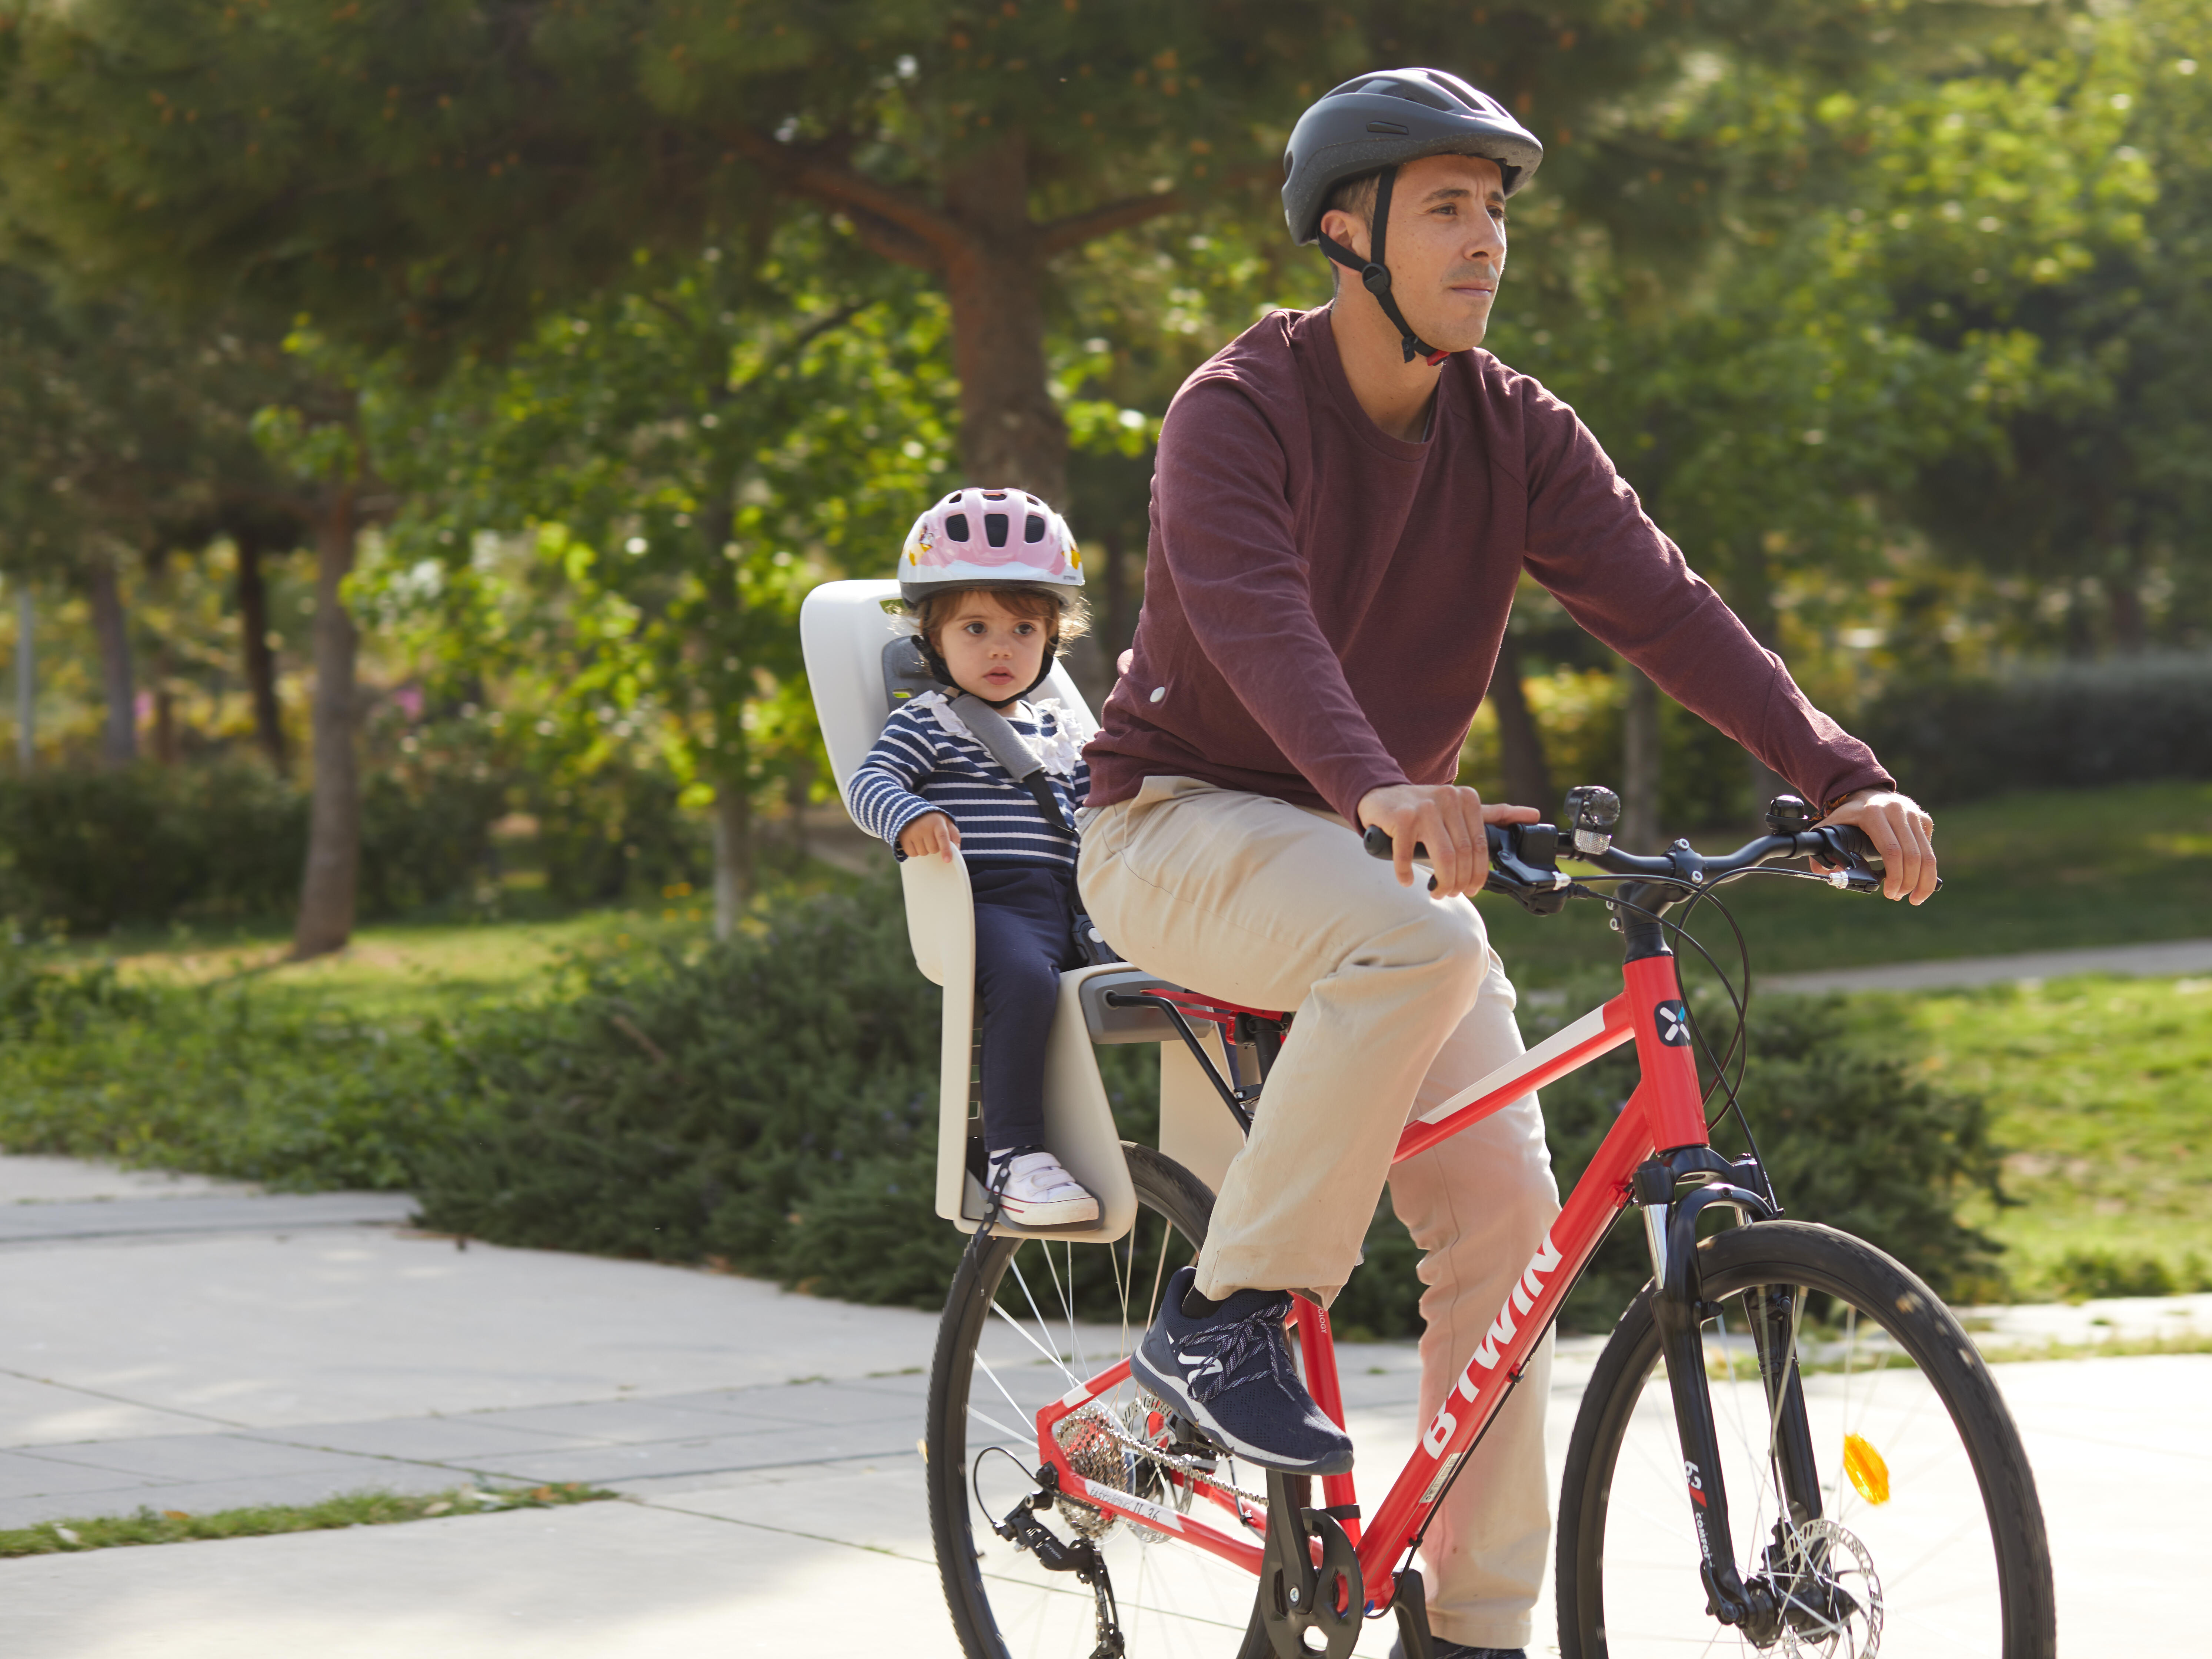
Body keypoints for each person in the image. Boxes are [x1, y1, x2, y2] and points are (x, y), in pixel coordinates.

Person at [1078, 69, 1941, 1659]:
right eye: (1442, 209)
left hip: (1362, 846)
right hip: (1175, 823)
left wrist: (1839, 772)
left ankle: (1468, 1628)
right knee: (1418, 945)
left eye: (1492, 211)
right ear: (1346, 234)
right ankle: (1217, 1316)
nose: (1482, 242)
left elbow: (1666, 608)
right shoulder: (1235, 411)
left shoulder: (1514, 427)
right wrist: (1379, 784)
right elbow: (1258, 622)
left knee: (1510, 1228)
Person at [848, 487, 1103, 1227]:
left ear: (1052, 639)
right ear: (931, 639)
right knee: (1024, 983)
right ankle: (1013, 1154)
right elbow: (871, 782)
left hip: (1073, 901)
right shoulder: (929, 722)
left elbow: (1104, 806)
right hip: (987, 901)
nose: (1001, 647)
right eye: (975, 626)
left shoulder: (1065, 731)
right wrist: (911, 815)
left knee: (1183, 979)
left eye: (1024, 628)